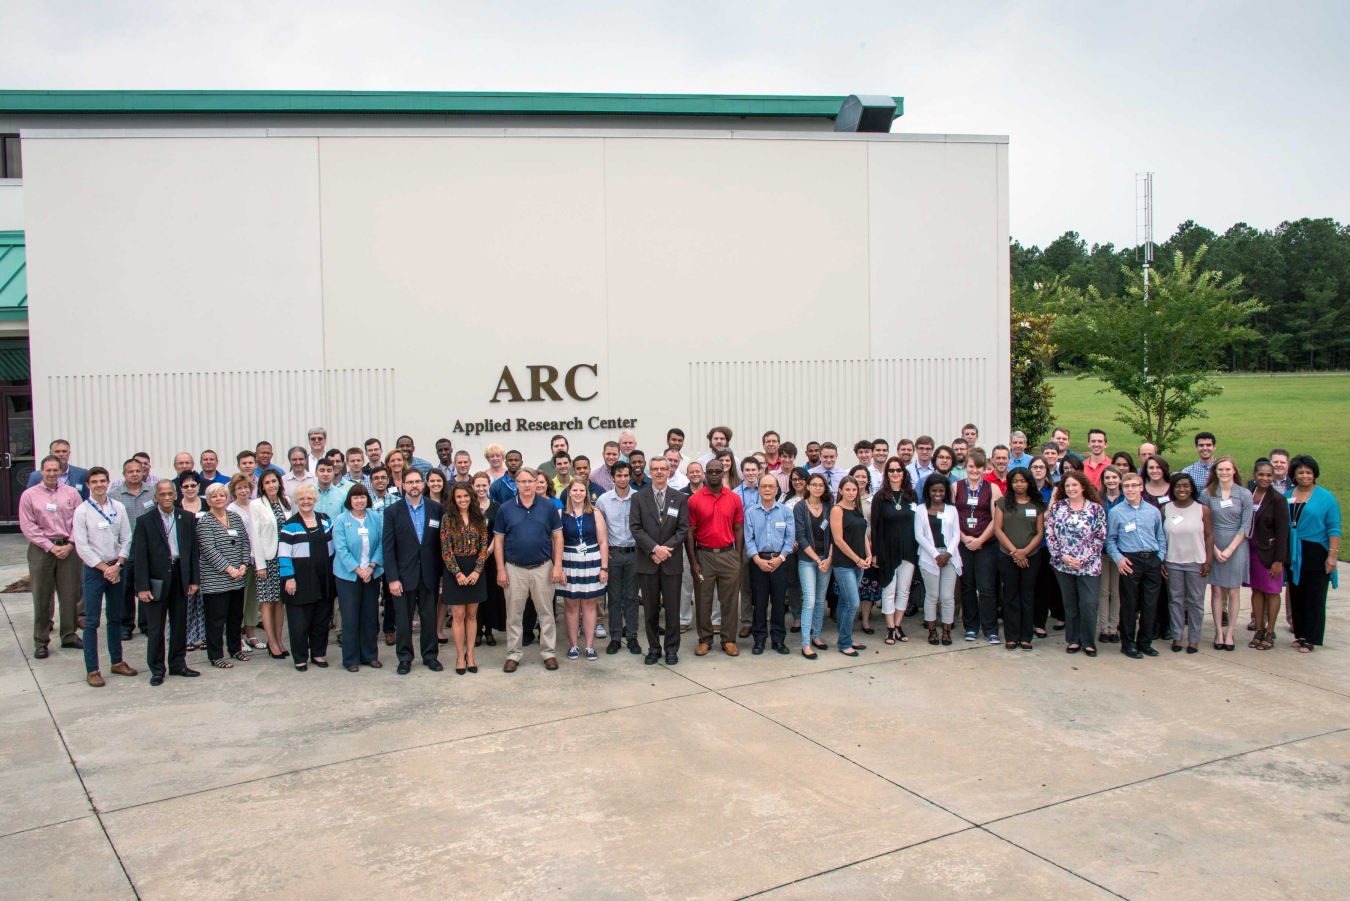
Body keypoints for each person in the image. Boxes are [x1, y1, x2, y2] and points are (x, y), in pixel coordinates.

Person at [494, 467, 564, 672]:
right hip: (514, 569)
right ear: (516, 484)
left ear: (537, 483)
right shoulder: (505, 508)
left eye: (530, 481)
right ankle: (513, 655)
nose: (526, 485)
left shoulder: (548, 507)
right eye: (522, 481)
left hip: (543, 567)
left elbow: (557, 537)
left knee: (546, 614)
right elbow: (498, 540)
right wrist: (500, 569)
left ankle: (549, 653)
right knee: (514, 615)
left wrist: (557, 565)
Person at [132, 480, 201, 685]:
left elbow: (192, 552)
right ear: (155, 497)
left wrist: (193, 580)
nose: (166, 497)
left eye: (170, 493)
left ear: (175, 495)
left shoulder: (186, 518)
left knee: (180, 624)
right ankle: (157, 669)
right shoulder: (145, 521)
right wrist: (142, 587)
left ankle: (178, 664)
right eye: (162, 494)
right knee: (156, 627)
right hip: (157, 580)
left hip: (180, 576)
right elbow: (140, 557)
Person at [72, 466, 136, 686]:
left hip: (117, 569)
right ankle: (93, 670)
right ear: (88, 485)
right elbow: (82, 545)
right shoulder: (82, 511)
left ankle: (117, 662)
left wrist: (118, 565)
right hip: (95, 571)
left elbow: (127, 538)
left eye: (102, 481)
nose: (99, 485)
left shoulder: (117, 507)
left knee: (115, 618)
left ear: (108, 482)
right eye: (94, 481)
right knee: (91, 621)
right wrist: (104, 569)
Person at [20, 454, 85, 657]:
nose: (51, 473)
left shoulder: (72, 493)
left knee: (70, 594)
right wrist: (50, 546)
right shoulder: (29, 495)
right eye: (47, 470)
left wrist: (71, 543)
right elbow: (28, 526)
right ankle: (41, 641)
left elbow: (79, 520)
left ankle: (68, 636)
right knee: (41, 596)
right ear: (41, 471)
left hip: (68, 549)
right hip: (42, 550)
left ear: (60, 471)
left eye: (54, 470)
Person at [382, 469, 445, 674]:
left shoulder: (436, 509)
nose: (414, 485)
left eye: (418, 481)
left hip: (429, 574)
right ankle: (405, 658)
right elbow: (388, 548)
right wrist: (392, 578)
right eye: (410, 482)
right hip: (403, 576)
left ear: (424, 484)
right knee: (403, 619)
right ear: (403, 486)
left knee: (429, 618)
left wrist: (443, 574)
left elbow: (441, 545)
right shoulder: (392, 511)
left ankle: (430, 656)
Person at [631, 455, 689, 664]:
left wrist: (665, 550)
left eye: (663, 468)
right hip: (648, 562)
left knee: (672, 609)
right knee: (650, 610)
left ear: (669, 471)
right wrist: (655, 549)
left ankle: (671, 649)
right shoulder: (638, 498)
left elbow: (683, 529)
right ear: (649, 471)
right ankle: (654, 648)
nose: (659, 472)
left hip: (671, 563)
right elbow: (636, 528)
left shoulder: (680, 498)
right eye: (654, 469)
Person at [685, 459, 745, 657]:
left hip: (729, 555)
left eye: (717, 471)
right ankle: (705, 640)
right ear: (704, 473)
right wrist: (694, 562)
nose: (713, 474)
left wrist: (737, 556)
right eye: (709, 471)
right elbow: (690, 533)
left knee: (729, 601)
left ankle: (728, 640)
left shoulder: (734, 498)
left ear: (723, 472)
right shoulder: (694, 500)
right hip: (704, 555)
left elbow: (738, 528)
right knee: (703, 601)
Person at [1046, 471, 1107, 657]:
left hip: (1088, 566)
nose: (1071, 489)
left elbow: (1100, 537)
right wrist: (1061, 556)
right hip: (1063, 565)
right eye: (1067, 486)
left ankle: (1088, 642)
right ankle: (1073, 640)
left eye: (1074, 485)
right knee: (1070, 604)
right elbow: (1050, 535)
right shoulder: (1057, 508)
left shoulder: (1096, 509)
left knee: (1088, 604)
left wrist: (1084, 560)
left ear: (1083, 486)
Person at [1106, 472, 1167, 659]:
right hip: (1130, 560)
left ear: (1142, 487)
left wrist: (1160, 557)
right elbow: (1110, 540)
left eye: (1134, 485)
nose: (1130, 489)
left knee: (1150, 603)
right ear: (1122, 489)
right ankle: (1128, 644)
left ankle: (1145, 643)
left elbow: (1161, 537)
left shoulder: (1153, 511)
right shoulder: (1116, 512)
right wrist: (1119, 559)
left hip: (1152, 560)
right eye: (1126, 486)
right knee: (1129, 604)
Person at [1284, 455, 1340, 653]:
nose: (1305, 475)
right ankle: (1300, 634)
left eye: (1308, 472)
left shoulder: (1326, 497)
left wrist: (1332, 556)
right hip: (1294, 551)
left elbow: (1334, 527)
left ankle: (1312, 637)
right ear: (1294, 475)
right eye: (1300, 472)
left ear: (1314, 474)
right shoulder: (1287, 495)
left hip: (1317, 550)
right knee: (1296, 593)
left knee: (1315, 596)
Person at [277, 484, 335, 671]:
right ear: (296, 501)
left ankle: (318, 654)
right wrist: (289, 578)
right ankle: (300, 658)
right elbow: (284, 554)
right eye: (301, 499)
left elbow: (335, 547)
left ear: (315, 500)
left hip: (323, 579)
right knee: (299, 623)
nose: (306, 502)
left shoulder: (325, 520)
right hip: (300, 581)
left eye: (309, 498)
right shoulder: (290, 525)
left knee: (321, 621)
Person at [196, 482, 253, 669]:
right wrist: (230, 569)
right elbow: (208, 550)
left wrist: (244, 565)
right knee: (216, 620)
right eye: (214, 496)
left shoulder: (235, 517)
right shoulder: (205, 521)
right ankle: (216, 655)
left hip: (238, 578)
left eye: (222, 495)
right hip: (216, 580)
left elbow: (245, 541)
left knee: (235, 616)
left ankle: (235, 649)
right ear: (208, 500)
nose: (218, 499)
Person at [554, 479, 608, 662]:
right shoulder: (560, 513)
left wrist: (604, 568)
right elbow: (556, 543)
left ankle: (589, 646)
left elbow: (603, 541)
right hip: (568, 561)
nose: (578, 493)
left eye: (581, 490)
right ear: (569, 492)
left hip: (592, 560)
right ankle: (573, 645)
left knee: (590, 605)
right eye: (574, 490)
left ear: (586, 493)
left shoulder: (595, 513)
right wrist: (558, 567)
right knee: (571, 605)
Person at [1203, 455, 1252, 651]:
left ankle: (1230, 632)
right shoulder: (1208, 494)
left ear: (1234, 471)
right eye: (1220, 469)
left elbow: (1246, 524)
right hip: (1214, 545)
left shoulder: (1244, 494)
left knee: (1233, 590)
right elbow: (1203, 523)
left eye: (1227, 469)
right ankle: (1218, 631)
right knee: (1215, 590)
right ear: (1215, 472)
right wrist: (1214, 549)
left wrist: (1231, 549)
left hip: (1237, 546)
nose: (1223, 473)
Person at [333, 483, 384, 672]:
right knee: (350, 617)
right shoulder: (341, 520)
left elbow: (381, 544)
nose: (359, 500)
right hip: (348, 576)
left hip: (372, 574)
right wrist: (358, 570)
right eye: (355, 497)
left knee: (370, 615)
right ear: (350, 500)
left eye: (363, 496)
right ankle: (351, 658)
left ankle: (370, 655)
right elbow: (341, 549)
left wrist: (371, 567)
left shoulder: (375, 517)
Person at [743, 468, 794, 655]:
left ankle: (778, 640)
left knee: (779, 603)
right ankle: (759, 640)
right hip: (758, 563)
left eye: (771, 486)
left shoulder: (786, 512)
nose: (767, 489)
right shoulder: (750, 512)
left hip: (780, 562)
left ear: (776, 489)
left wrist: (780, 559)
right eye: (763, 486)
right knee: (760, 603)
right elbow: (748, 540)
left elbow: (790, 539)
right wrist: (757, 560)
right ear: (758, 489)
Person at [993, 466, 1045, 651]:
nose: (1019, 484)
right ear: (1010, 483)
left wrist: (1025, 552)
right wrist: (1015, 551)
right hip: (1008, 557)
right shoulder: (1002, 503)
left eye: (1023, 480)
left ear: (1029, 482)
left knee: (1027, 596)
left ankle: (1025, 637)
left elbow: (1040, 533)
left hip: (1031, 557)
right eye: (1015, 481)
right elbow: (998, 529)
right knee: (1010, 596)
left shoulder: (1037, 504)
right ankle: (1012, 636)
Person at [440, 483, 490, 672]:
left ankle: (470, 656)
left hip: (475, 570)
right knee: (458, 615)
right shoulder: (447, 519)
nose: (463, 500)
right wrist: (457, 573)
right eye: (459, 497)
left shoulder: (479, 518)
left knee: (471, 614)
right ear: (454, 499)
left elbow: (484, 546)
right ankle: (460, 657)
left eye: (466, 496)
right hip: (456, 570)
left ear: (471, 497)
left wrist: (477, 570)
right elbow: (446, 550)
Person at [954, 449, 1001, 643]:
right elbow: (952, 517)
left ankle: (990, 629)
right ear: (966, 467)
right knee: (967, 586)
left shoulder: (993, 489)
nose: (974, 470)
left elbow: (996, 518)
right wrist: (965, 539)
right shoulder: (955, 487)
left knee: (987, 587)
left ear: (985, 469)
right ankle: (971, 627)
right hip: (963, 543)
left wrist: (980, 540)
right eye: (971, 466)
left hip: (986, 544)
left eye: (978, 467)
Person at [1163, 472, 1212, 654]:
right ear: (1172, 489)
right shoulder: (1165, 509)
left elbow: (1209, 536)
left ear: (1192, 488)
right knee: (1175, 601)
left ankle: (1194, 639)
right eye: (1177, 486)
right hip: (1172, 562)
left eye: (1185, 485)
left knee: (1196, 602)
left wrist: (1208, 561)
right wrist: (1161, 561)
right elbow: (1161, 538)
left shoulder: (1202, 509)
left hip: (1196, 562)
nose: (1182, 489)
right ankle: (1177, 636)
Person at [594, 461, 641, 654]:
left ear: (630, 476)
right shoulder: (603, 500)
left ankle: (631, 637)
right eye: (618, 475)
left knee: (631, 597)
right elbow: (600, 532)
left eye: (626, 475)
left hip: (634, 554)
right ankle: (614, 637)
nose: (622, 479)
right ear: (612, 478)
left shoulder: (639, 498)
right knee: (613, 598)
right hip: (613, 555)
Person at [871, 457, 917, 646]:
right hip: (887, 549)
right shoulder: (880, 497)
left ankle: (898, 625)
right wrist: (875, 553)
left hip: (909, 549)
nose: (895, 474)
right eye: (891, 470)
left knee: (904, 590)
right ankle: (889, 627)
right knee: (889, 589)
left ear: (904, 473)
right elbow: (874, 527)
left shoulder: (911, 496)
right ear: (887, 474)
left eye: (899, 470)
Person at [1246, 459, 1289, 651]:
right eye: (1261, 474)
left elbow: (1283, 532)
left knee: (1272, 591)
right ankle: (1259, 629)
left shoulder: (1278, 500)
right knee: (1256, 590)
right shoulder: (1249, 495)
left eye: (1269, 475)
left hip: (1270, 555)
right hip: (1251, 551)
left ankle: (1270, 631)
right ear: (1254, 475)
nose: (1265, 478)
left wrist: (1279, 560)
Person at [249, 469, 291, 659]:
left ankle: (279, 640)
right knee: (267, 601)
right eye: (267, 483)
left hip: (284, 558)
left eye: (274, 481)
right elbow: (255, 537)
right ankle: (271, 642)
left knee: (280, 600)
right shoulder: (256, 505)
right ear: (262, 486)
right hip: (267, 559)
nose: (271, 485)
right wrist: (260, 565)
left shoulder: (287, 502)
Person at [915, 473, 961, 645]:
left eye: (941, 491)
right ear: (928, 491)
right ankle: (932, 631)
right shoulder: (920, 510)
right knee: (932, 596)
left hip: (950, 557)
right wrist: (936, 555)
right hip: (929, 558)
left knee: (948, 597)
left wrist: (948, 554)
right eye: (934, 490)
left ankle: (947, 632)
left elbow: (957, 534)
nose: (937, 494)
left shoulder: (952, 509)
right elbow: (919, 536)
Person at [829, 476, 870, 657]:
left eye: (854, 490)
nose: (851, 493)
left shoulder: (856, 509)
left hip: (859, 563)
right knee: (853, 603)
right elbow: (838, 540)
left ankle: (845, 638)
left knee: (845, 602)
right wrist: (857, 559)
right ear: (840, 491)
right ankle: (844, 642)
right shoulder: (837, 510)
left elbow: (863, 536)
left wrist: (867, 556)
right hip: (845, 563)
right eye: (847, 489)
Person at [793, 473, 833, 658]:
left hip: (827, 559)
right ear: (807, 486)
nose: (817, 488)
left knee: (820, 600)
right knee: (809, 601)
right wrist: (818, 560)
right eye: (814, 484)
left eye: (821, 485)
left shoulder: (829, 508)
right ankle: (805, 643)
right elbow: (800, 536)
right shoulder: (800, 507)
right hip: (808, 560)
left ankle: (816, 636)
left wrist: (829, 558)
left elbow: (834, 536)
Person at [226, 474, 265, 652]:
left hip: (256, 557)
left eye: (246, 487)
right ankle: (238, 637)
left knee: (252, 599)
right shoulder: (231, 510)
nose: (243, 491)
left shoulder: (256, 505)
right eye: (239, 488)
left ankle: (251, 635)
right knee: (239, 600)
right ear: (233, 491)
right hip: (240, 561)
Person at [175, 472, 208, 652]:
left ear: (198, 486)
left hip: (205, 556)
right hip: (183, 557)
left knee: (203, 599)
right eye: (186, 486)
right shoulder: (175, 507)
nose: (190, 489)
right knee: (185, 598)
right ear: (180, 489)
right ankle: (185, 637)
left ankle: (203, 636)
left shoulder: (206, 504)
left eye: (193, 485)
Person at [472, 472, 504, 647]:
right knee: (476, 595)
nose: (481, 489)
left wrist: (488, 552)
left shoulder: (496, 507)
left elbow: (499, 533)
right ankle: (477, 631)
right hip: (471, 558)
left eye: (484, 485)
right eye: (478, 485)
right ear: (472, 486)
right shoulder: (468, 506)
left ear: (489, 486)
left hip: (491, 558)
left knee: (491, 594)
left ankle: (489, 631)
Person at [1095, 465, 1125, 645]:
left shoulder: (1125, 499)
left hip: (1122, 553)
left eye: (1114, 477)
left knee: (1117, 591)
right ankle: (1103, 628)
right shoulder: (1098, 499)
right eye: (1107, 478)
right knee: (1103, 591)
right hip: (1102, 552)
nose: (1111, 480)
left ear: (1120, 479)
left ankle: (1114, 628)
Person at [25, 438, 89, 498]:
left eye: (64, 451)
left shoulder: (82, 474)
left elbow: (85, 500)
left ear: (69, 453)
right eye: (57, 451)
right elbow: (30, 498)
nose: (61, 454)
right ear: (51, 454)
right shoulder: (36, 476)